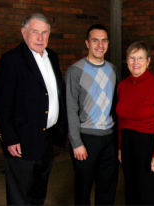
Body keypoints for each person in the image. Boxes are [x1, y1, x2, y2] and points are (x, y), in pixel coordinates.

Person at [0, 13, 68, 205]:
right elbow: (2, 104)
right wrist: (10, 138)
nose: (40, 38)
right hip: (21, 140)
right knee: (20, 194)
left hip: (46, 138)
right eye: (35, 32)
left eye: (44, 33)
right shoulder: (11, 60)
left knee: (39, 189)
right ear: (23, 32)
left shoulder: (52, 57)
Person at [65, 24, 119, 205]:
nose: (100, 45)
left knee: (107, 186)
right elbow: (70, 109)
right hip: (86, 138)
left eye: (104, 40)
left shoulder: (113, 69)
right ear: (87, 43)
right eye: (95, 40)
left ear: (108, 43)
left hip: (109, 138)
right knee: (83, 187)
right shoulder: (75, 71)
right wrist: (76, 143)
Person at [117, 42, 154, 205]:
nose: (136, 62)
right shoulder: (122, 85)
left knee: (147, 189)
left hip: (148, 144)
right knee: (131, 186)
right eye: (132, 58)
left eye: (140, 58)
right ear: (127, 60)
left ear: (148, 61)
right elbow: (121, 121)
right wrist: (120, 147)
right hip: (127, 143)